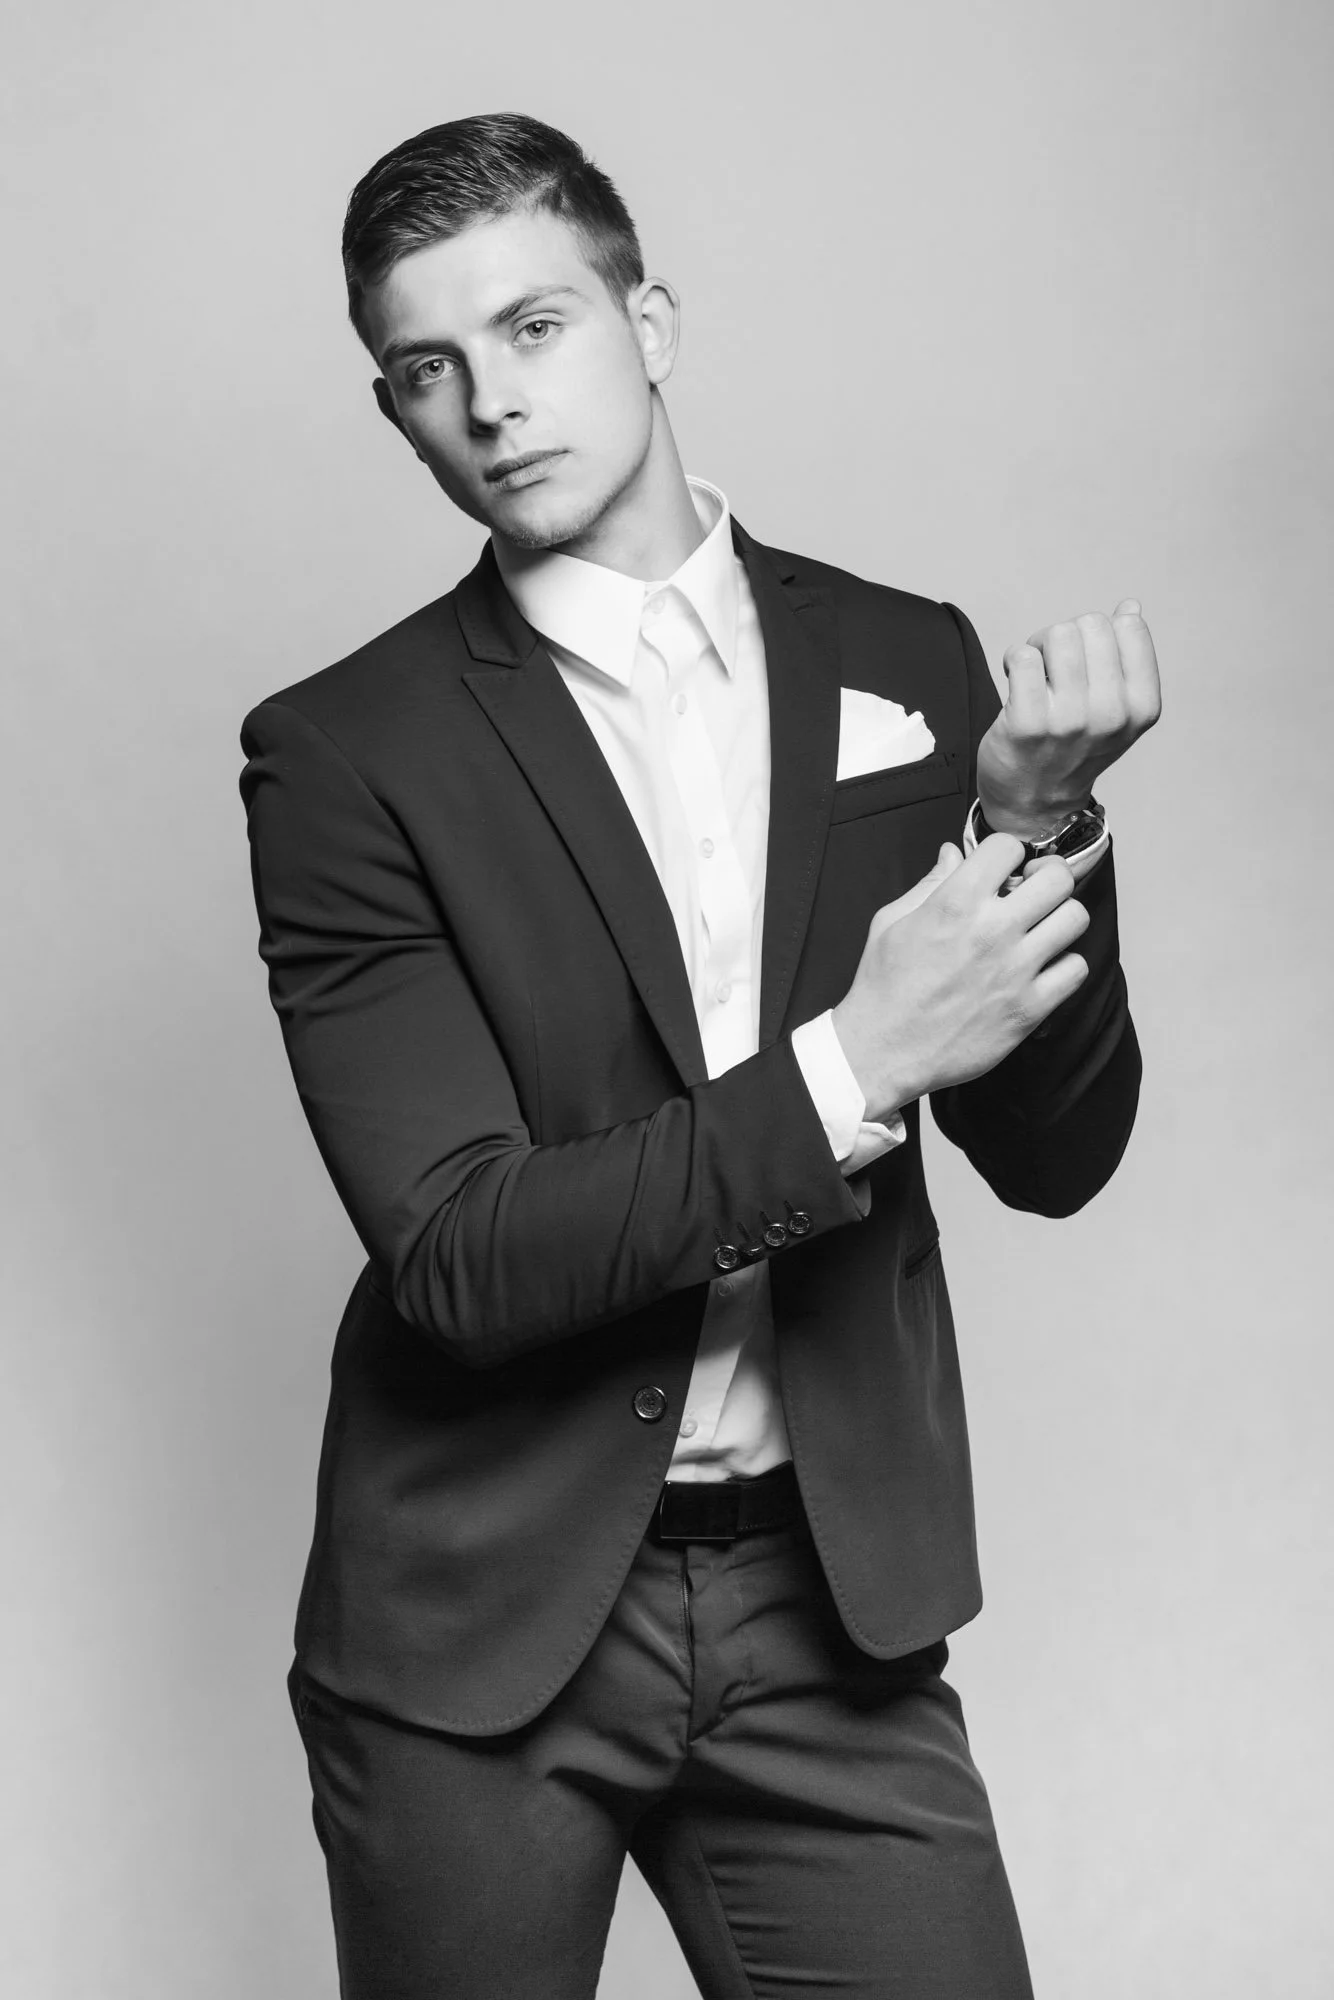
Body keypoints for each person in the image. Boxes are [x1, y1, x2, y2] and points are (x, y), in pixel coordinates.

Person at [239, 112, 1160, 2000]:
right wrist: (853, 1065)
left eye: (534, 326)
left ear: (648, 319)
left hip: (832, 1601)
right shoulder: (344, 754)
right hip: (484, 1627)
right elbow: (464, 1255)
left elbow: (1055, 1152)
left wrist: (1036, 838)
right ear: (395, 411)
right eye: (428, 370)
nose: (490, 403)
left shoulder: (906, 660)